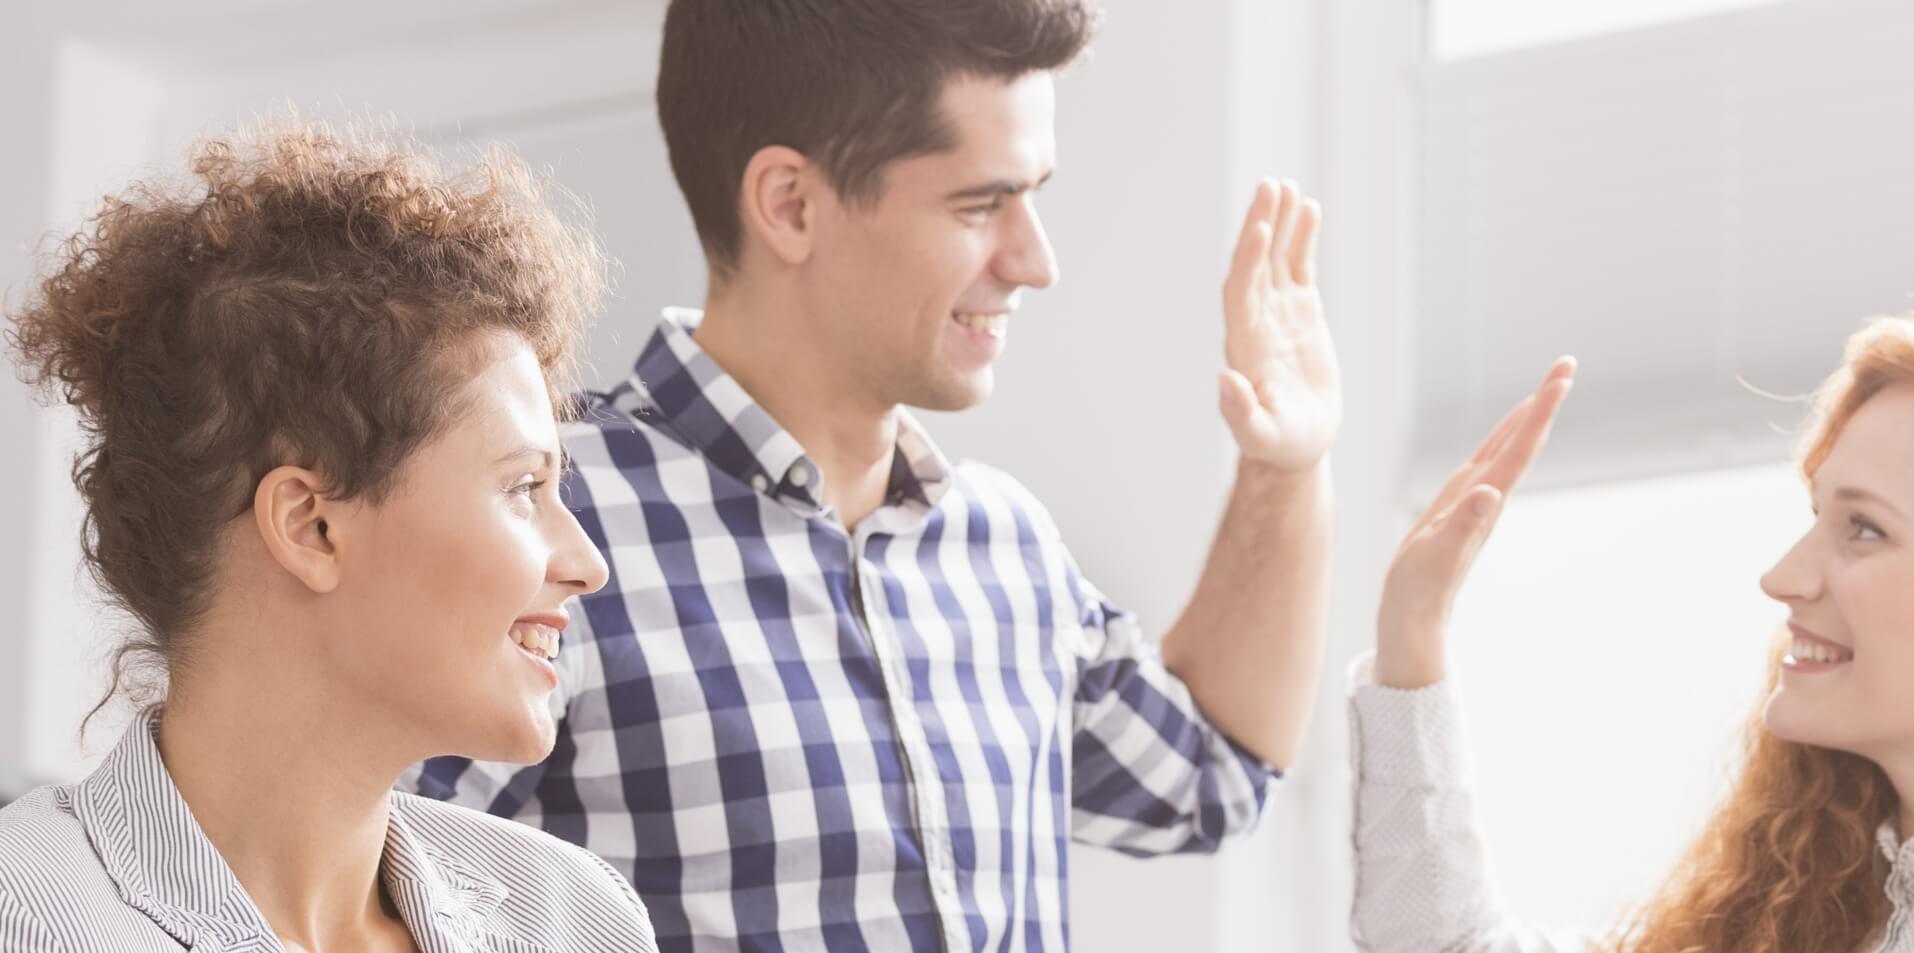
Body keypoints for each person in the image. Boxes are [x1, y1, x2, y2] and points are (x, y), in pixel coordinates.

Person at [405, 1, 1337, 948]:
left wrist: (1284, 469)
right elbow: (352, 877)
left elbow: (1212, 775)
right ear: (790, 205)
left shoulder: (1004, 549)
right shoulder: (552, 522)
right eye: (980, 204)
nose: (1035, 262)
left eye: (1034, 196)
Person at [1355, 314, 1914, 952]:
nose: (1784, 576)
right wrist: (1412, 639)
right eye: (1817, 515)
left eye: (1863, 528)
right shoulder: (1810, 905)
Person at [0, 122, 652, 951]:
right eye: (524, 487)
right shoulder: (25, 920)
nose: (587, 564)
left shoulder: (575, 917)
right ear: (312, 526)